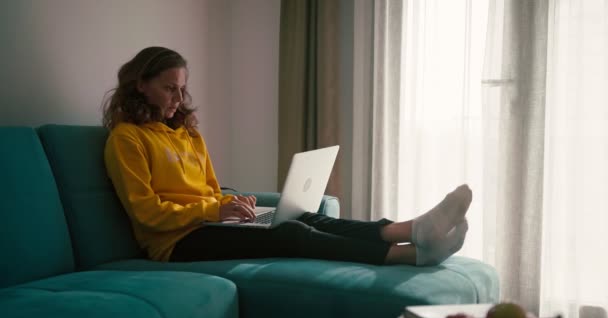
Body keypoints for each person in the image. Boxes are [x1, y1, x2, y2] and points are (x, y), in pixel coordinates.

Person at [103, 46, 472, 267]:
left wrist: (233, 204)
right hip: (175, 242)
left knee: (301, 215)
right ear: (140, 84)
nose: (178, 99)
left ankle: (414, 230)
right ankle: (409, 255)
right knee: (292, 233)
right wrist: (213, 211)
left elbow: (211, 190)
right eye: (169, 89)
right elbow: (146, 213)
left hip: (210, 224)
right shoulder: (126, 139)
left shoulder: (188, 133)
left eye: (182, 89)